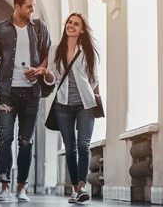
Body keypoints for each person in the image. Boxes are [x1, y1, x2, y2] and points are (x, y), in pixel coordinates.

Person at [0, 0, 51, 202]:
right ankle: (5, 186)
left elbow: (48, 56)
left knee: (26, 141)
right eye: (29, 6)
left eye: (33, 6)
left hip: (32, 93)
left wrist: (39, 70)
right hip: (6, 93)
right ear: (17, 5)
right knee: (5, 138)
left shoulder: (39, 28)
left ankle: (21, 188)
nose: (32, 10)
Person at [43, 12, 100, 203]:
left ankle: (82, 187)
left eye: (76, 24)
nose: (71, 26)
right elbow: (51, 78)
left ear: (82, 29)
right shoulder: (55, 49)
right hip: (63, 104)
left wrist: (98, 100)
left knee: (83, 145)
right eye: (69, 22)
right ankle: (76, 189)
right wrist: (45, 73)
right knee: (70, 148)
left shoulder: (87, 50)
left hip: (85, 103)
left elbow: (94, 79)